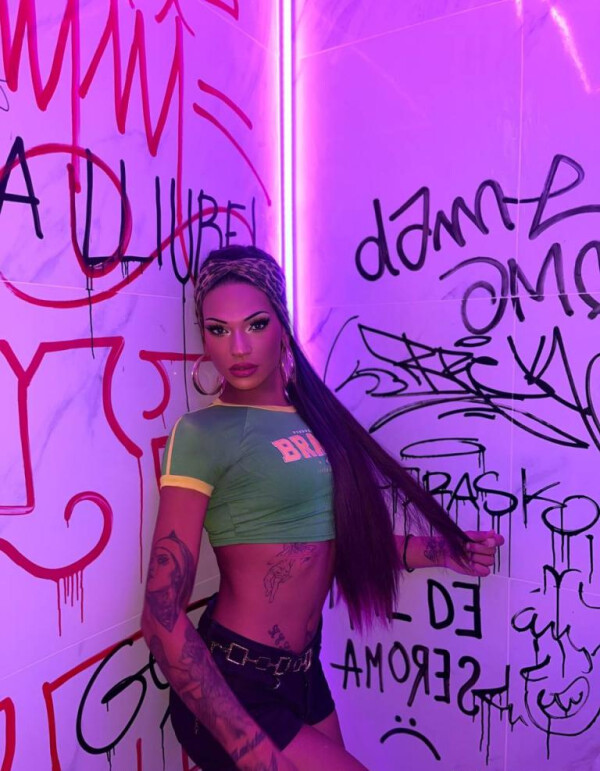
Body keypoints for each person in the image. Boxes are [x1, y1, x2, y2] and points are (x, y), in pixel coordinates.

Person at [141, 245, 504, 771]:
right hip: (236, 682)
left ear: (282, 325)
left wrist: (443, 552)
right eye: (218, 330)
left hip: (303, 675)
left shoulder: (315, 415)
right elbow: (161, 614)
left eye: (255, 324)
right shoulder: (201, 434)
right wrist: (249, 749)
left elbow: (332, 542)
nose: (237, 347)